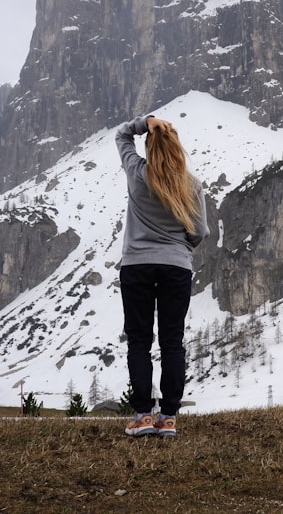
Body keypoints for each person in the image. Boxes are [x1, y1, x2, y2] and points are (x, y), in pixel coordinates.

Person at [115, 114, 209, 437]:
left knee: (139, 340)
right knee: (172, 341)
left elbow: (121, 136)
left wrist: (146, 122)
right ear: (177, 148)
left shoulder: (137, 174)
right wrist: (179, 247)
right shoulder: (191, 184)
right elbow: (200, 232)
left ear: (149, 146)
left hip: (137, 266)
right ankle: (168, 417)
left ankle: (142, 415)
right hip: (176, 267)